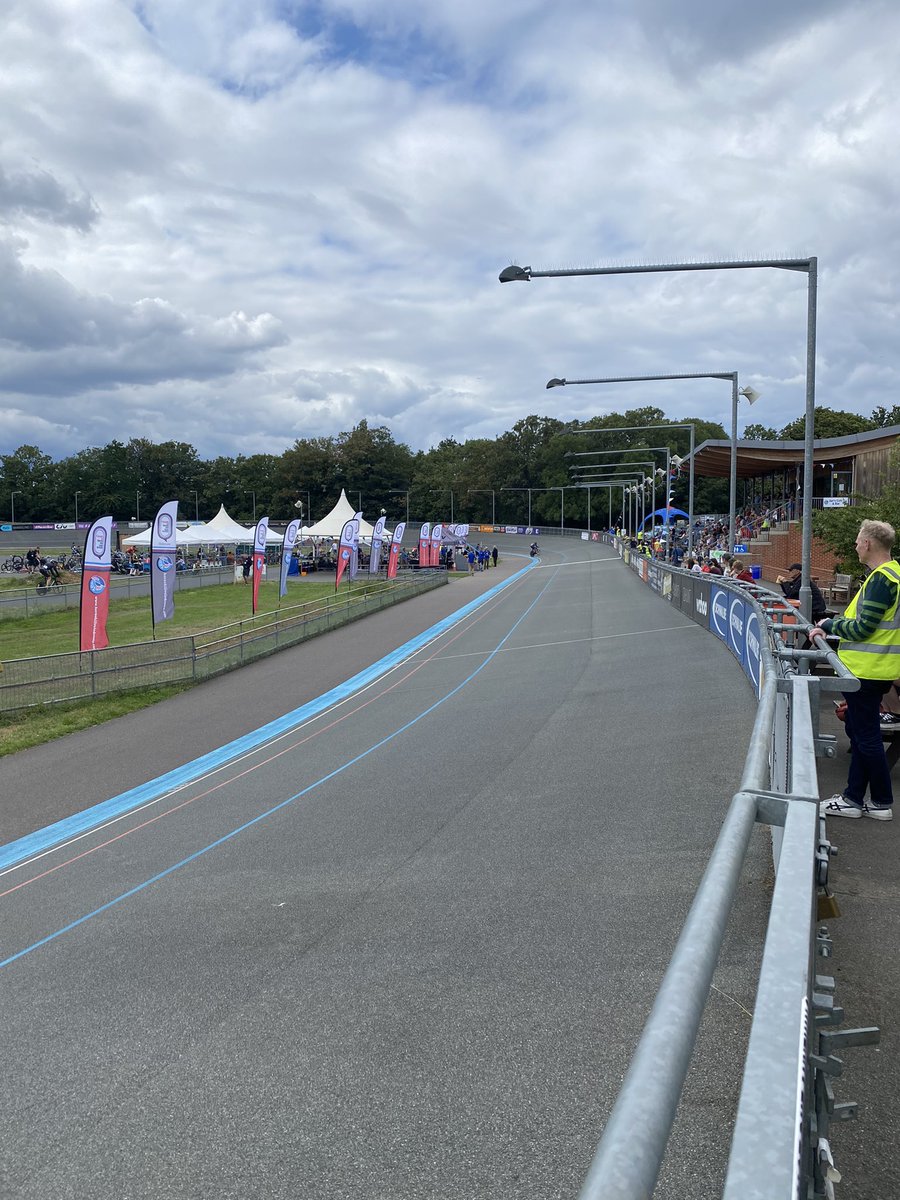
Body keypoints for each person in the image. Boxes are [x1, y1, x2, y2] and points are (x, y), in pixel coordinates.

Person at [809, 519, 900, 820]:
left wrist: (828, 625)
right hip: (879, 669)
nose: (855, 545)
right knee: (864, 735)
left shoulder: (880, 579)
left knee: (866, 737)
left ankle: (881, 801)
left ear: (869, 543)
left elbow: (862, 628)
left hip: (867, 670)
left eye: (858, 540)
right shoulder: (894, 572)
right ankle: (854, 798)